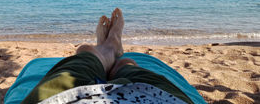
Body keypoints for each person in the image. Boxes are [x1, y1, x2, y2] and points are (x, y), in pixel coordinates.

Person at [21, 8, 195, 104]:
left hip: (59, 100)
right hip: (158, 98)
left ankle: (104, 51)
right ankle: (114, 53)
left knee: (82, 58)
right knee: (132, 70)